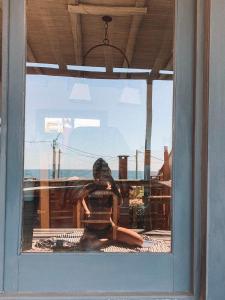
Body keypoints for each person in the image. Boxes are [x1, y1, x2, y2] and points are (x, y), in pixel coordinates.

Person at [74, 158, 143, 250]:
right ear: (96, 175)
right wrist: (86, 210)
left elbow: (119, 203)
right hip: (92, 230)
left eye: (105, 173)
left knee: (139, 241)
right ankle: (108, 241)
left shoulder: (112, 188)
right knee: (85, 245)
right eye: (100, 174)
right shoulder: (90, 187)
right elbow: (78, 197)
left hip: (109, 228)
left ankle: (106, 241)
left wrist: (113, 184)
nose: (102, 177)